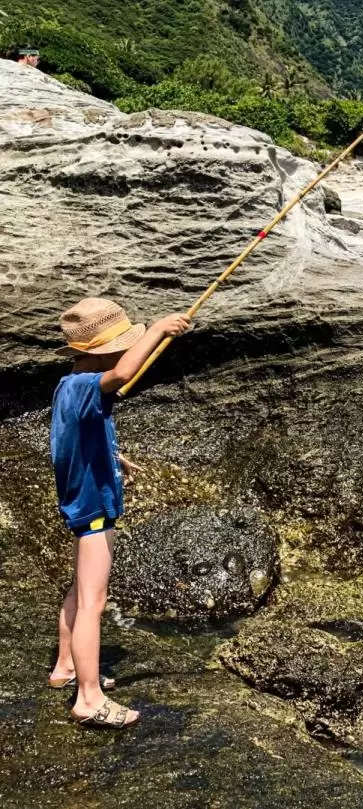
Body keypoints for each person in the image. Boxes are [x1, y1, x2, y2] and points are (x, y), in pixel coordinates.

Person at [48, 297, 191, 729]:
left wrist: (114, 456)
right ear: (101, 351)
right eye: (123, 343)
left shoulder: (71, 386)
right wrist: (157, 331)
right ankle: (88, 700)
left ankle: (65, 667)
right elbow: (125, 373)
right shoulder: (87, 386)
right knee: (94, 601)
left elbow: (79, 435)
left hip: (84, 501)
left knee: (79, 591)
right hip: (92, 509)